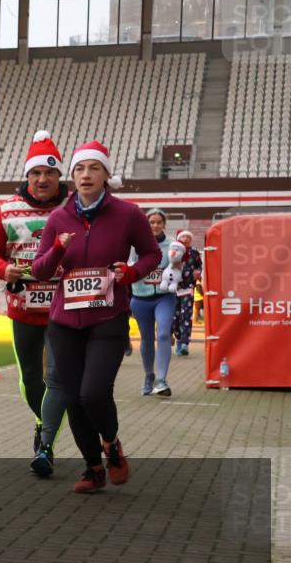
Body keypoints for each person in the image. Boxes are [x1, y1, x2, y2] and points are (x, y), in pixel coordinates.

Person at [32, 140, 161, 494]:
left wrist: (131, 273)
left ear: (106, 175)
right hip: (64, 322)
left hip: (108, 318)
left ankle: (112, 445)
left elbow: (152, 254)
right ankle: (93, 467)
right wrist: (58, 247)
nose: (85, 175)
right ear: (71, 178)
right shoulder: (58, 217)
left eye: (94, 168)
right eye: (79, 169)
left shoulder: (128, 214)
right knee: (72, 398)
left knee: (93, 394)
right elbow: (40, 270)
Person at [0, 130, 68, 478]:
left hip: (65, 310)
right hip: (23, 308)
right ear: (27, 176)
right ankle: (40, 420)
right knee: (31, 378)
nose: (42, 179)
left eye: (49, 173)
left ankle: (45, 444)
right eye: (36, 173)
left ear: (59, 176)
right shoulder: (7, 209)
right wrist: (4, 269)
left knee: (56, 376)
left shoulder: (74, 207)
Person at [129, 209, 177, 396]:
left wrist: (177, 265)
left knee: (164, 334)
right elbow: (128, 264)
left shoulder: (173, 243)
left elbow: (180, 264)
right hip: (140, 297)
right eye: (151, 222)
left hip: (164, 297)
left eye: (159, 222)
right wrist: (140, 267)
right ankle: (149, 375)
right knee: (147, 339)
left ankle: (162, 380)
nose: (155, 225)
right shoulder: (135, 244)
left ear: (164, 224)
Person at [172, 229, 202, 355]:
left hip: (188, 288)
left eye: (187, 237)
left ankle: (184, 343)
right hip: (174, 289)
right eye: (183, 237)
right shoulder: (173, 250)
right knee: (175, 317)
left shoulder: (194, 252)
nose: (185, 239)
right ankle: (178, 337)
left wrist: (198, 271)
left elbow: (199, 265)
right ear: (178, 238)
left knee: (186, 315)